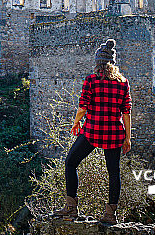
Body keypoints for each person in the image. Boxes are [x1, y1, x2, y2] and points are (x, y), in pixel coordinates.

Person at [54, 39, 132, 224]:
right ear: (113, 63)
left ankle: (71, 208)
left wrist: (75, 123)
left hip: (93, 131)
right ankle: (110, 214)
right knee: (113, 172)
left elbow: (82, 107)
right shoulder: (122, 83)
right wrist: (128, 138)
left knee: (71, 162)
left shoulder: (92, 80)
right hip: (114, 133)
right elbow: (127, 112)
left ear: (97, 63)